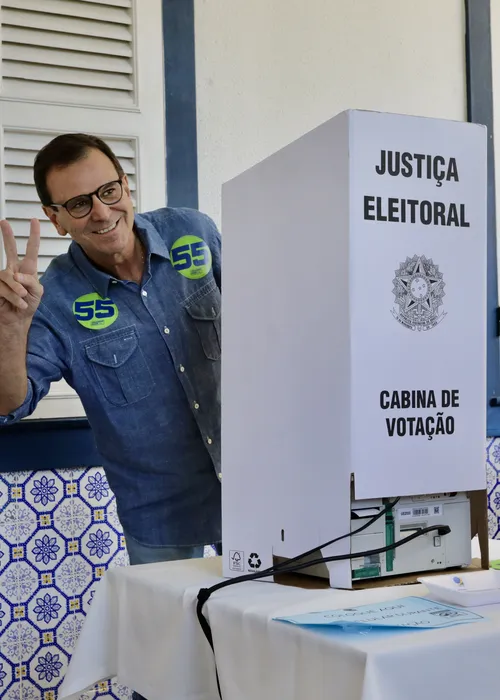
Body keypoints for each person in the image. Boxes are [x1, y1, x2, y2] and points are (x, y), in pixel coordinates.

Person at [0, 134, 222, 581]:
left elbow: (270, 320)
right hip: (160, 514)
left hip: (258, 486)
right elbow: (10, 404)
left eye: (108, 191)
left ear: (125, 185)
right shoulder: (53, 300)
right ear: (56, 219)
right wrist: (10, 329)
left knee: (270, 631)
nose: (102, 212)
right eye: (79, 204)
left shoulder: (194, 232)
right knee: (172, 647)